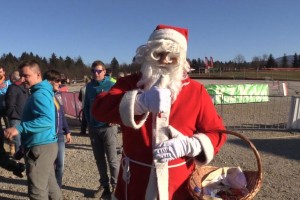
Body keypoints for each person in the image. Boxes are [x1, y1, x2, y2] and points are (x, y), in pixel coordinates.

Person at [92, 24, 227, 199]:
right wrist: (140, 102)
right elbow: (99, 109)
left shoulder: (196, 91)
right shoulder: (129, 84)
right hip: (135, 181)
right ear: (148, 54)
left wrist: (193, 145)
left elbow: (216, 132)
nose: (164, 61)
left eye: (172, 56)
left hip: (179, 184)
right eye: (158, 54)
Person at [3, 60, 62, 200]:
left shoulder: (39, 94)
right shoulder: (40, 91)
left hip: (40, 147)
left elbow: (47, 120)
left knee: (36, 191)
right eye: (21, 76)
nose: (23, 80)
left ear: (38, 75)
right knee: (51, 185)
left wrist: (19, 128)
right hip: (43, 145)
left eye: (26, 76)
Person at [84, 60, 119, 199]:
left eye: (99, 71)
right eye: (93, 71)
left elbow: (119, 104)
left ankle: (116, 187)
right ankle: (104, 186)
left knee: (112, 159)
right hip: (94, 128)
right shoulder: (89, 87)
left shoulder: (112, 85)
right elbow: (86, 106)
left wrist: (115, 118)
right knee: (99, 159)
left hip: (108, 129)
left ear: (105, 72)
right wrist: (89, 122)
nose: (96, 73)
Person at [43, 69, 72, 188]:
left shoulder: (58, 95)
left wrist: (67, 131)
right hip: (48, 137)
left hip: (59, 136)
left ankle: (57, 189)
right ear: (49, 81)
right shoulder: (42, 96)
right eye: (57, 81)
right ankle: (48, 189)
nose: (60, 83)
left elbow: (62, 115)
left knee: (60, 165)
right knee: (49, 166)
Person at [5, 70, 29, 154]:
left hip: (23, 117)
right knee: (17, 140)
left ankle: (21, 155)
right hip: (16, 118)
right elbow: (10, 104)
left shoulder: (25, 88)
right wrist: (13, 115)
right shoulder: (13, 88)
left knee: (23, 139)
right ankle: (17, 158)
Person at [0, 65, 11, 131]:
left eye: (0, 72)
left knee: (8, 124)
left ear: (4, 72)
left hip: (6, 107)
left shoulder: (8, 82)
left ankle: (11, 138)